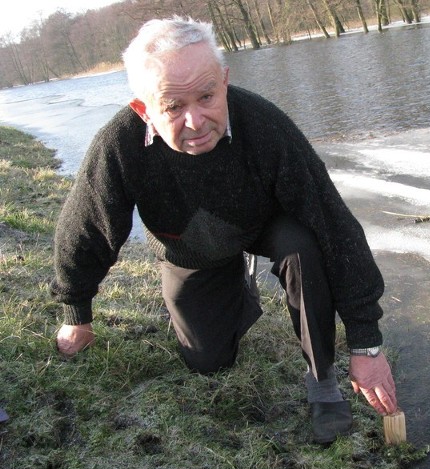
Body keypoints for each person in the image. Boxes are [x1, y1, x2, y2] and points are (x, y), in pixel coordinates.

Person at [51, 16, 397, 444]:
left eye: (207, 96)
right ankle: (237, 283)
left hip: (261, 224)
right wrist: (76, 312)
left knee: (302, 244)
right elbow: (87, 227)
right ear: (144, 108)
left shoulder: (264, 125)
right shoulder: (118, 145)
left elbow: (335, 225)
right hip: (189, 249)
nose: (196, 121)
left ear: (225, 81)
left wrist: (366, 344)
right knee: (208, 362)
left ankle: (321, 379)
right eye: (173, 107)